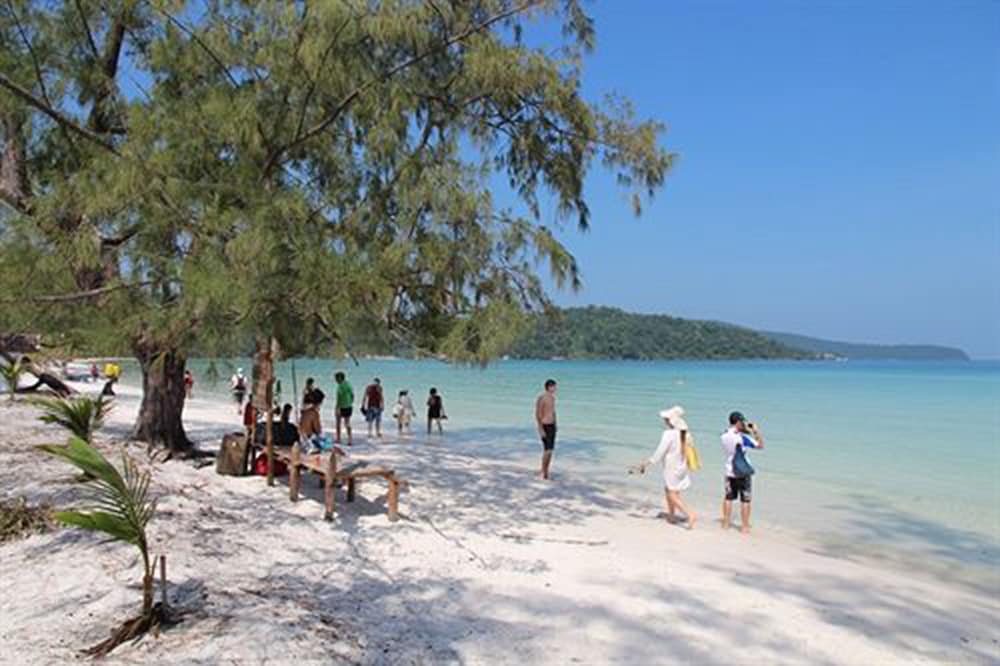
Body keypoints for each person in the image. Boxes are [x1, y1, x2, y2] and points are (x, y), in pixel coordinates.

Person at [636, 406, 697, 529]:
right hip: (681, 466)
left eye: (666, 419)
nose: (664, 421)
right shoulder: (685, 433)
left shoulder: (669, 434)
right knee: (672, 491)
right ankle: (671, 516)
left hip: (672, 467)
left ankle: (690, 514)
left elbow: (660, 452)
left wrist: (646, 463)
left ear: (671, 421)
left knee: (671, 493)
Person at [720, 411, 765, 534]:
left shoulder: (724, 435)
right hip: (743, 472)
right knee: (745, 500)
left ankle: (726, 523)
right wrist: (756, 431)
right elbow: (760, 445)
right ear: (738, 422)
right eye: (742, 422)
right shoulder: (742, 438)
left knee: (728, 498)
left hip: (730, 470)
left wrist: (744, 429)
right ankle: (744, 526)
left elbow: (732, 435)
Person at [535, 379, 558, 480]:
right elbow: (538, 413)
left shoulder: (552, 398)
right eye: (554, 386)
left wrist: (555, 424)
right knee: (547, 450)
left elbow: (553, 412)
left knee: (550, 450)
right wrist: (540, 428)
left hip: (552, 425)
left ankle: (544, 469)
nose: (555, 388)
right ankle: (545, 472)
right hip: (545, 425)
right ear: (549, 387)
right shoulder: (542, 398)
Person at [334, 371, 354, 446]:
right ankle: (350, 440)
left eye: (336, 378)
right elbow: (352, 395)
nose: (335, 380)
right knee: (347, 423)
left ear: (340, 378)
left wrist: (337, 408)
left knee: (338, 423)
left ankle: (338, 439)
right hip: (349, 406)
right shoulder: (349, 384)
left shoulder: (340, 386)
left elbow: (339, 398)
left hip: (341, 407)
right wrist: (350, 403)